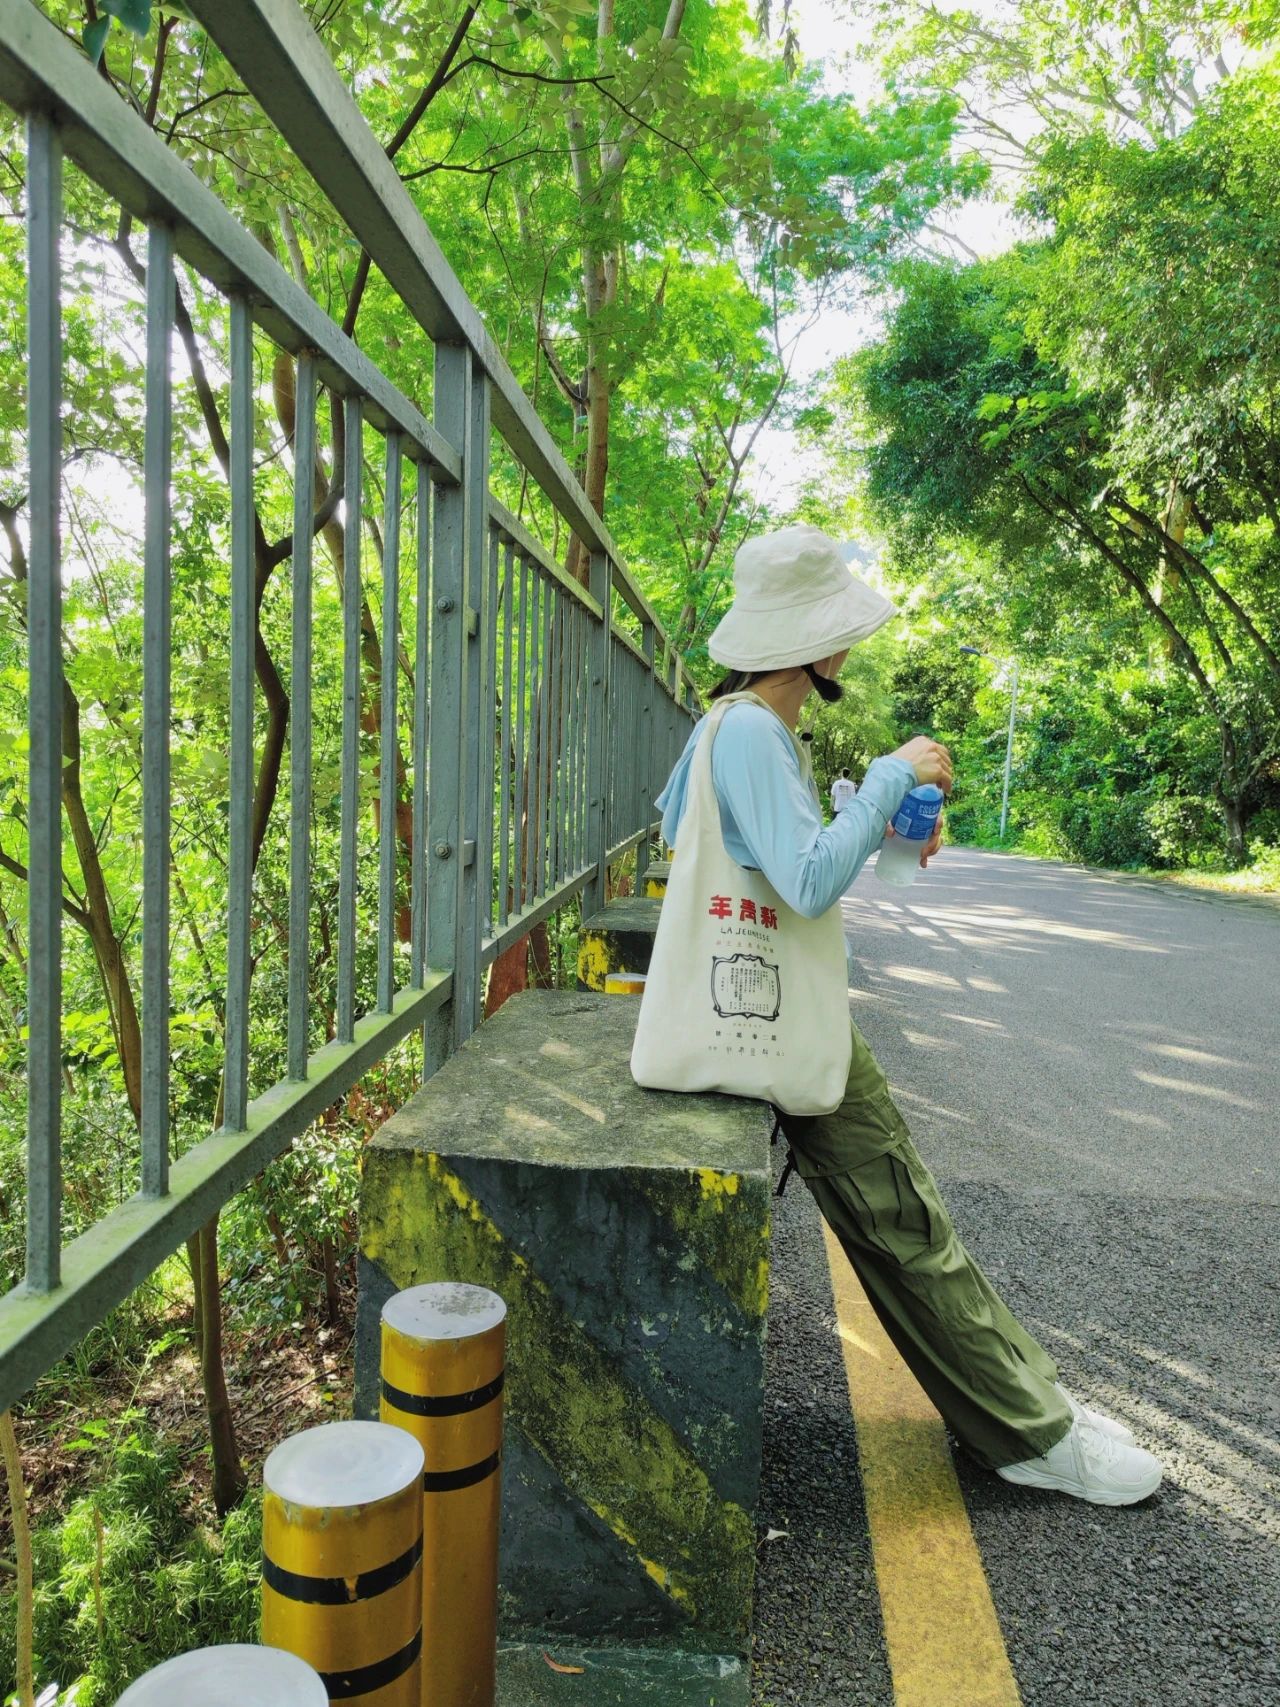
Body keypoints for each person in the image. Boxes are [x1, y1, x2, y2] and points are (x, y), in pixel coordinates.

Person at [655, 525, 1162, 1506]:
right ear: (809, 641)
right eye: (836, 624)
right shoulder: (757, 729)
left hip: (745, 1006)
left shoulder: (720, 724)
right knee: (904, 1219)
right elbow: (801, 886)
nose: (848, 642)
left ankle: (1025, 1404)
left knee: (903, 1215)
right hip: (777, 1021)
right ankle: (1029, 1435)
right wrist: (890, 777)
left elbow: (697, 834)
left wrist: (873, 829)